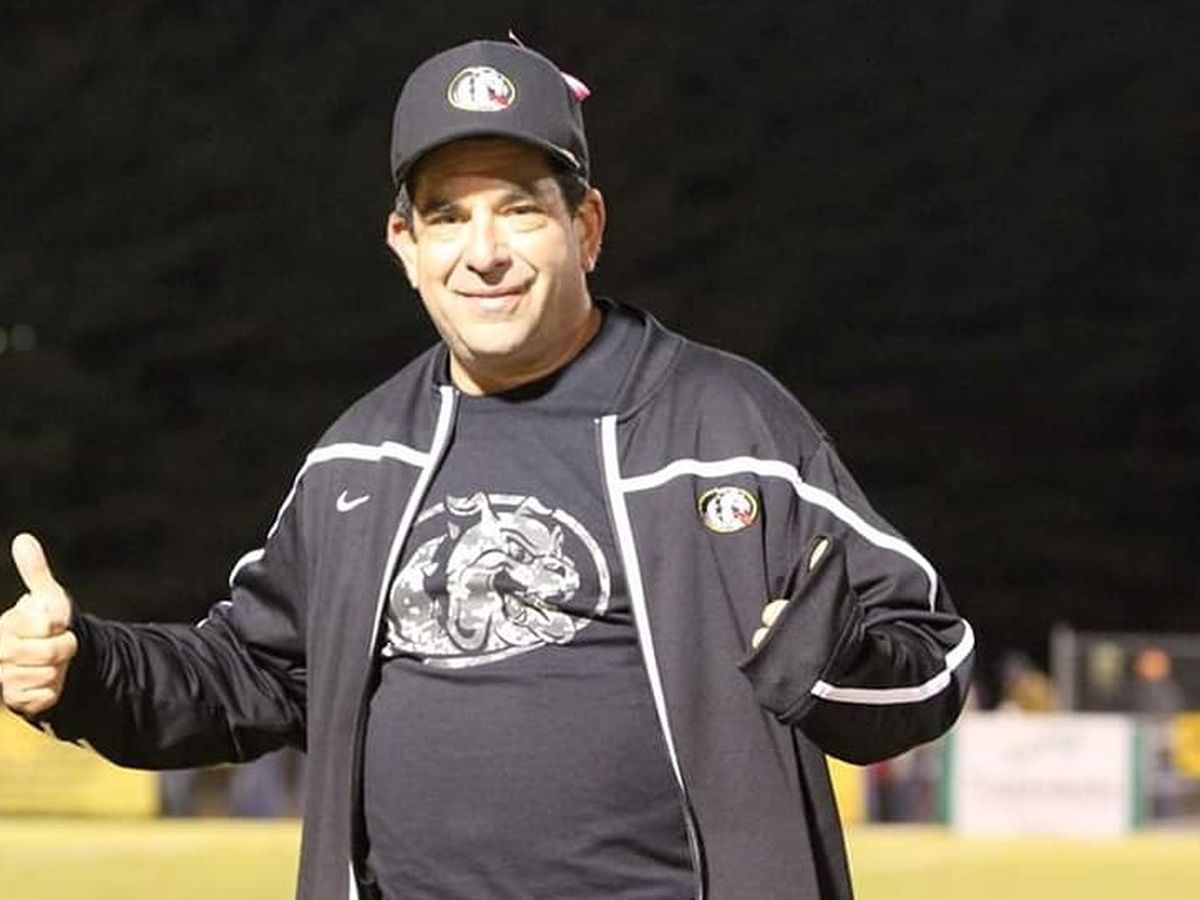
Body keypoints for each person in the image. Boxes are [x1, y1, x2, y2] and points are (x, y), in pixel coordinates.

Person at [0, 38, 975, 900]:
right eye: (448, 216)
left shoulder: (727, 424)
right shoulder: (361, 456)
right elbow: (251, 674)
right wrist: (88, 669)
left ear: (586, 227)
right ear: (406, 245)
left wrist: (835, 670)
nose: (485, 253)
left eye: (519, 210)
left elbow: (931, 653)